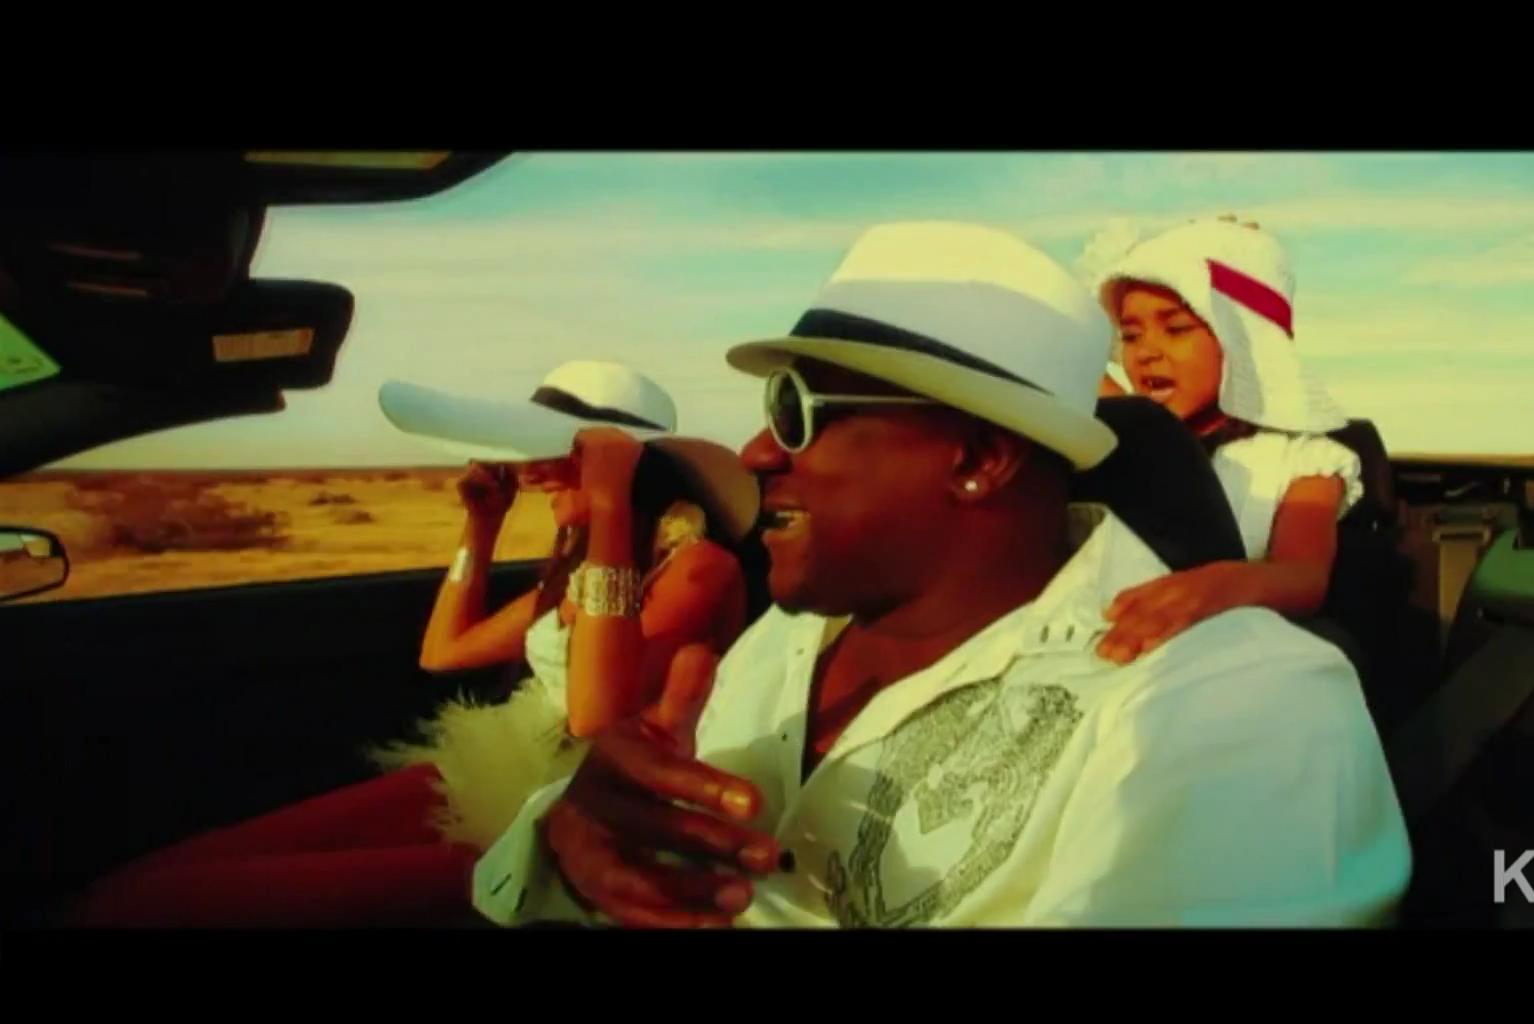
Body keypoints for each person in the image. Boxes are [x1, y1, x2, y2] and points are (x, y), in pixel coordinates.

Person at [473, 221, 1411, 929]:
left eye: (796, 409)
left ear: (978, 458)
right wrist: (561, 843)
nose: (757, 453)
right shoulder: (786, 638)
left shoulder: (1226, 704)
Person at [66, 361, 759, 927]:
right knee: (171, 870)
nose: (529, 471)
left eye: (559, 452)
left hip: (565, 811)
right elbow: (444, 652)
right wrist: (480, 526)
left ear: (624, 464)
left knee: (170, 906)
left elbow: (592, 716)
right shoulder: (583, 570)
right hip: (494, 762)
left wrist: (607, 508)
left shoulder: (698, 567)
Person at [1085, 216, 1366, 665]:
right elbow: (1073, 365)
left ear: (1247, 345)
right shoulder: (1130, 435)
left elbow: (1302, 576)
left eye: (1176, 328)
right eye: (1131, 335)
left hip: (1223, 657)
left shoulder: (1303, 460)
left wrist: (1215, 587)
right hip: (1096, 642)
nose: (1146, 352)